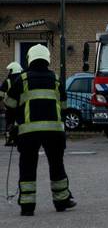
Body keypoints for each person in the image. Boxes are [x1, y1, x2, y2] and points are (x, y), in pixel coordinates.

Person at [4, 44, 76, 216]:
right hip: (54, 132)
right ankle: (61, 201)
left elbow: (9, 104)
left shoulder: (21, 79)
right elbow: (65, 106)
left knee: (28, 166)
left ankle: (28, 206)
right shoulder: (56, 79)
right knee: (57, 165)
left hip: (29, 133)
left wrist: (13, 124)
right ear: (47, 58)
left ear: (30, 58)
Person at [1, 62, 23, 146]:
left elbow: (1, 94)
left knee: (9, 123)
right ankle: (19, 140)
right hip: (21, 107)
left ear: (13, 70)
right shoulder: (23, 79)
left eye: (10, 70)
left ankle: (9, 140)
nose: (9, 72)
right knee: (20, 123)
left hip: (9, 106)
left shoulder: (7, 81)